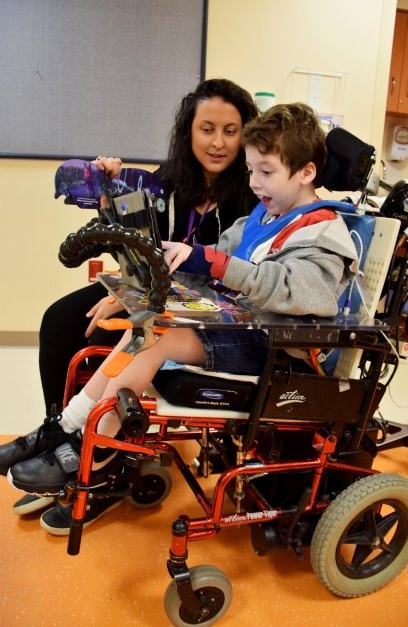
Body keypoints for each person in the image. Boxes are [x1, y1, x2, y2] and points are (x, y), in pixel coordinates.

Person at [1, 102, 359, 535]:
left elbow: (297, 289)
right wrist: (168, 266)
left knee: (158, 338)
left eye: (265, 172)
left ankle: (91, 452)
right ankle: (67, 426)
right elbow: (211, 270)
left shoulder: (324, 232)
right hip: (235, 329)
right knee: (144, 324)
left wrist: (215, 263)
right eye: (250, 171)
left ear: (305, 172)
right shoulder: (256, 220)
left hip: (274, 348)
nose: (254, 182)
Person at [2, 78, 258, 521]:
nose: (218, 142)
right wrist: (110, 197)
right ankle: (59, 433)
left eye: (231, 131)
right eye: (207, 128)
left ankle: (105, 465)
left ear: (246, 135)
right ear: (189, 132)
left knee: (106, 327)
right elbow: (129, 244)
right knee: (61, 321)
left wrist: (138, 302)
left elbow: (226, 284)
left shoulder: (254, 197)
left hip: (193, 309)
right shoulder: (167, 180)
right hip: (148, 291)